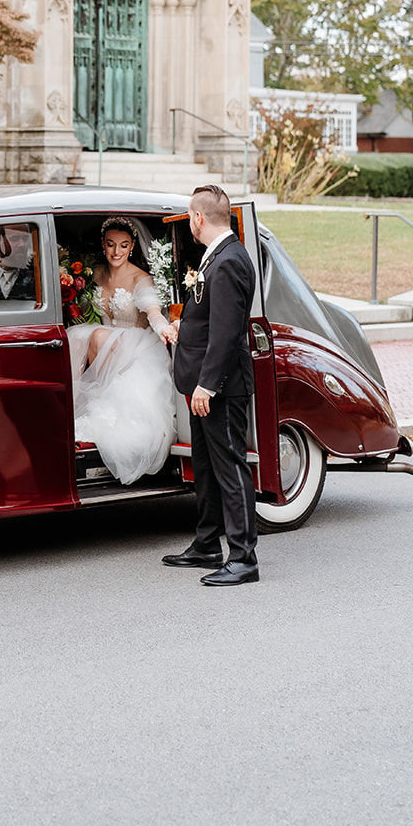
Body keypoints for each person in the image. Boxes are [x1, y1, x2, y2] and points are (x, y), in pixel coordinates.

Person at [163, 184, 259, 586]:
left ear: (198, 218)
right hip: (203, 383)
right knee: (204, 467)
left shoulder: (230, 261)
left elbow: (226, 333)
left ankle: (244, 558)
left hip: (219, 387)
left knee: (231, 467)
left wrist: (207, 386)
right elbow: (208, 319)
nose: (189, 222)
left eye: (190, 216)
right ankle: (207, 544)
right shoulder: (216, 256)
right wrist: (184, 325)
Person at [66, 217, 177, 486]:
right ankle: (71, 407)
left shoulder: (141, 278)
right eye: (111, 245)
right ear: (103, 246)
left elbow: (152, 310)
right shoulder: (95, 273)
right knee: (80, 336)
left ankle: (95, 403)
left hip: (136, 348)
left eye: (123, 245)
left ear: (132, 246)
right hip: (100, 345)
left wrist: (165, 328)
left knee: (97, 334)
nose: (117, 252)